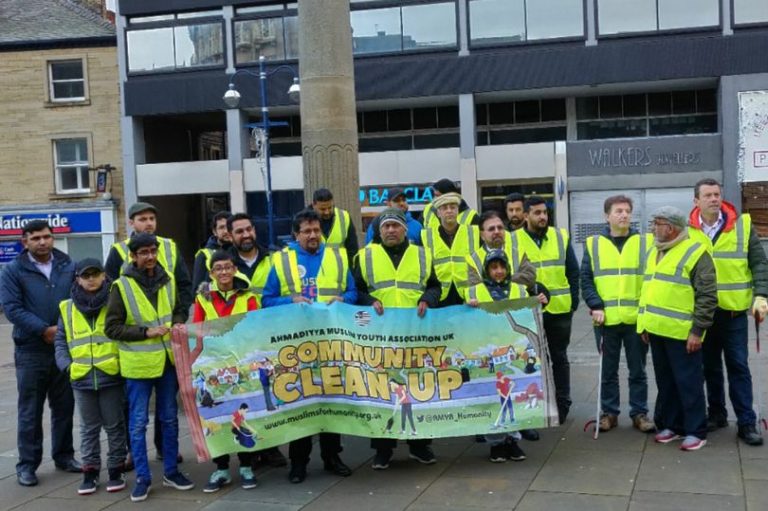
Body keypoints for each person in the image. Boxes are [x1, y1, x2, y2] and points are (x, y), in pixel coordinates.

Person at [261, 208, 356, 484]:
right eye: (307, 231)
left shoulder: (338, 257)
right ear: (296, 234)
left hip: (330, 344)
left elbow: (351, 292)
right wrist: (290, 301)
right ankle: (299, 462)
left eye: (317, 230)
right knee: (300, 402)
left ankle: (331, 456)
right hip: (296, 344)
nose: (313, 235)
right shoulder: (281, 261)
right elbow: (266, 300)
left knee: (330, 401)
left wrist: (344, 299)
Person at [104, 233, 194, 501]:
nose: (151, 256)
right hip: (139, 365)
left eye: (153, 251)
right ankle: (143, 478)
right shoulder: (121, 286)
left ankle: (171, 471)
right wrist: (145, 332)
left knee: (168, 418)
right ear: (133, 256)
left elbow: (179, 308)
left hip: (167, 361)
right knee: (138, 422)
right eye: (144, 252)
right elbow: (112, 327)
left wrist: (177, 322)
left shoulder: (168, 280)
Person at [354, 207, 442, 470]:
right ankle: (382, 449)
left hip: (415, 334)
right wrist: (370, 300)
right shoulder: (364, 256)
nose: (390, 230)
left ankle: (420, 446)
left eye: (395, 226)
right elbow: (355, 290)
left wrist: (428, 299)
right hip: (379, 336)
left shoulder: (423, 255)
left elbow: (436, 286)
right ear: (378, 231)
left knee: (417, 388)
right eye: (385, 227)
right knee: (381, 391)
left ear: (405, 229)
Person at [0, 220, 81, 487]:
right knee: (30, 411)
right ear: (25, 242)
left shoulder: (67, 265)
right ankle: (27, 465)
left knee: (64, 406)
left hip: (62, 348)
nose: (42, 242)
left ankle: (64, 456)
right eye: (35, 238)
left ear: (53, 238)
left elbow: (77, 298)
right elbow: (12, 308)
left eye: (46, 237)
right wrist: (43, 330)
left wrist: (63, 330)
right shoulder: (13, 270)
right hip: (31, 349)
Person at [688, 178, 768, 445]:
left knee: (738, 367)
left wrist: (761, 295)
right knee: (709, 368)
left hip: (733, 314)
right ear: (696, 201)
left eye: (717, 194)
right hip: (704, 315)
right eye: (708, 195)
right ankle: (717, 414)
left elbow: (759, 263)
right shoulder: (687, 232)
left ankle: (746, 422)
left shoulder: (743, 226)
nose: (714, 199)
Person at [638, 206, 717, 451]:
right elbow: (648, 290)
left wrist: (697, 331)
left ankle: (696, 430)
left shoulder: (695, 252)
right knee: (667, 382)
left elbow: (707, 296)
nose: (653, 228)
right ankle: (671, 426)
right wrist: (644, 324)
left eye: (657, 223)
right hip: (657, 330)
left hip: (683, 333)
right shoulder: (656, 251)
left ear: (670, 228)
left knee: (689, 382)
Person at [580, 195, 656, 434]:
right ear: (607, 216)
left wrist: (646, 312)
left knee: (638, 370)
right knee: (608, 371)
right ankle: (609, 413)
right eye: (618, 211)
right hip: (605, 321)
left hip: (636, 320)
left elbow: (651, 280)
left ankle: (639, 413)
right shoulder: (593, 244)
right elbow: (586, 279)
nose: (624, 215)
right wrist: (595, 305)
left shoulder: (646, 243)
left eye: (627, 211)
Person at [54, 258, 127, 495]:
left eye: (96, 274)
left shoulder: (115, 301)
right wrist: (67, 366)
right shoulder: (66, 307)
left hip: (110, 375)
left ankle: (116, 470)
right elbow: (60, 342)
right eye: (86, 276)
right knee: (88, 428)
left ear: (104, 275)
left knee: (115, 426)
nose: (91, 279)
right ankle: (90, 472)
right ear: (78, 279)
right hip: (81, 377)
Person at [193, 250, 259, 493]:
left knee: (242, 415)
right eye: (218, 268)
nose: (223, 272)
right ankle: (220, 467)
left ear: (235, 269)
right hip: (214, 364)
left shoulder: (248, 297)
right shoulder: (202, 299)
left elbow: (255, 327)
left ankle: (246, 466)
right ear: (211, 273)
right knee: (216, 416)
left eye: (227, 267)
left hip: (240, 362)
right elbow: (198, 331)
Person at [514, 196, 579, 423]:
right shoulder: (514, 240)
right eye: (537, 213)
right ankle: (537, 404)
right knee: (532, 360)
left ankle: (562, 403)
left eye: (544, 212)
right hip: (529, 311)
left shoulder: (560, 237)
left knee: (559, 358)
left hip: (560, 310)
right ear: (525, 216)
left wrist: (573, 303)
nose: (543, 217)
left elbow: (573, 271)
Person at [466, 249, 534, 462]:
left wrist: (538, 300)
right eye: (494, 267)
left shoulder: (519, 289)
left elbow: (527, 311)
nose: (498, 271)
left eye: (502, 267)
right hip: (488, 345)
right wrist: (470, 305)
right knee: (493, 399)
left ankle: (513, 441)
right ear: (487, 270)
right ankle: (496, 444)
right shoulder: (475, 291)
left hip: (510, 343)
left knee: (512, 398)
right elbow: (465, 316)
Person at [421, 192, 480, 306]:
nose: (449, 211)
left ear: (458, 210)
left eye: (453, 207)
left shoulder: (473, 232)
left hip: (468, 295)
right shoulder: (426, 236)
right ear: (438, 213)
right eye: (444, 208)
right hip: (438, 295)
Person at [311, 188, 359, 266]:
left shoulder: (344, 217)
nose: (327, 212)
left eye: (330, 208)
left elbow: (352, 249)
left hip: (340, 269)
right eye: (322, 209)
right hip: (316, 270)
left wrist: (351, 270)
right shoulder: (304, 221)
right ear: (314, 205)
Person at [192, 211, 232, 290]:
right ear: (214, 232)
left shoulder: (242, 251)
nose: (226, 231)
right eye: (221, 227)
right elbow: (197, 289)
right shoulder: (204, 255)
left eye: (229, 226)